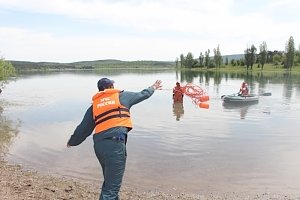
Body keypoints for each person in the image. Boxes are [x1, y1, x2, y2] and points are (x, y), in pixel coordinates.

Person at [67, 78, 162, 200]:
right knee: (111, 189)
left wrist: (71, 142)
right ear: (111, 87)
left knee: (110, 182)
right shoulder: (122, 96)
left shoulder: (94, 106)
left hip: (99, 146)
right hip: (115, 145)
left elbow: (83, 129)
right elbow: (143, 94)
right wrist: (153, 86)